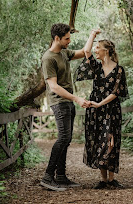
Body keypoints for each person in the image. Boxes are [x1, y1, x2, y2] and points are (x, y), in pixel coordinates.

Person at [75, 29, 128, 189]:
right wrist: (92, 35)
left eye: (98, 48)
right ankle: (103, 180)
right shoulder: (97, 68)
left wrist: (100, 104)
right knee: (99, 140)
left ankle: (112, 179)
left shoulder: (119, 70)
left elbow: (116, 92)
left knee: (111, 141)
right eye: (96, 48)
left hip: (111, 110)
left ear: (106, 51)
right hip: (96, 111)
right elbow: (86, 51)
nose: (95, 50)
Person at [40, 23, 91, 191]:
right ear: (57, 38)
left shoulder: (63, 53)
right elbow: (53, 87)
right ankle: (48, 177)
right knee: (63, 138)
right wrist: (76, 98)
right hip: (59, 102)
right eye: (67, 38)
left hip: (67, 101)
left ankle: (60, 176)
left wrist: (92, 35)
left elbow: (84, 52)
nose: (69, 41)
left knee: (67, 139)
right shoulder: (48, 58)